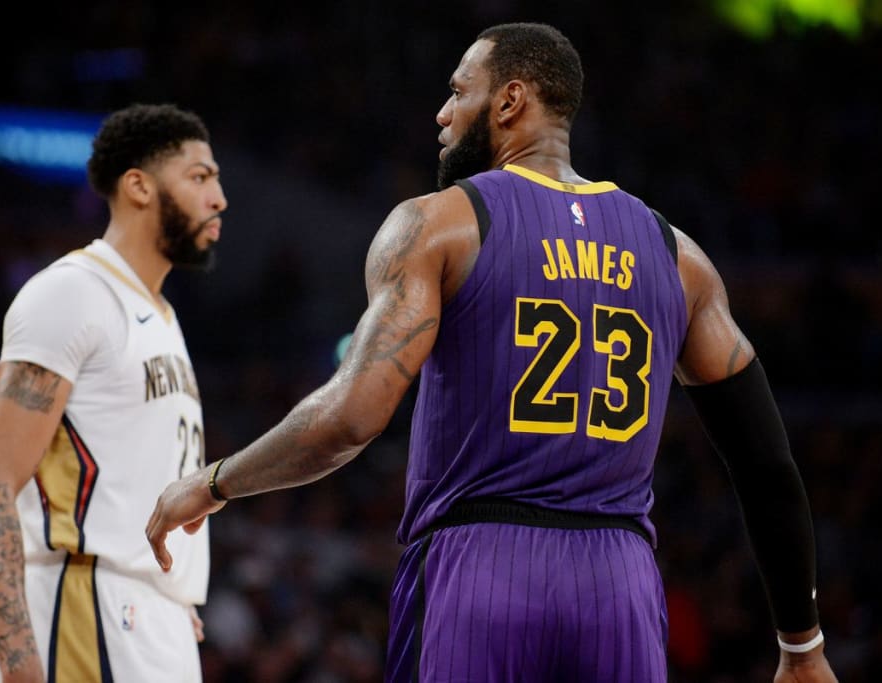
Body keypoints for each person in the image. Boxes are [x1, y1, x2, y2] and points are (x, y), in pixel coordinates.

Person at [145, 23, 838, 683]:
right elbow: (765, 461)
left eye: (458, 90)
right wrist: (801, 645)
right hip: (621, 584)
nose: (443, 113)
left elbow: (351, 418)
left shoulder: (440, 224)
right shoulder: (678, 256)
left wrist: (212, 483)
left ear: (510, 101)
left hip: (480, 568)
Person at [0, 103, 226, 682]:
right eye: (200, 177)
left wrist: (169, 590)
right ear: (139, 186)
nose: (219, 199)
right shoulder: (73, 292)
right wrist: (19, 665)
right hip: (87, 601)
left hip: (161, 618)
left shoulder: (163, 315)